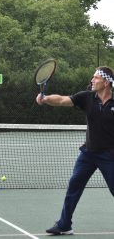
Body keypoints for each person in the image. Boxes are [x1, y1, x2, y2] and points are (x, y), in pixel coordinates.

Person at [36, 66, 114, 235]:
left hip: (109, 154)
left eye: (96, 78)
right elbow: (63, 100)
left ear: (106, 82)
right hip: (88, 153)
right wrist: (46, 98)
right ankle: (64, 224)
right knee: (74, 186)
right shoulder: (87, 97)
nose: (92, 80)